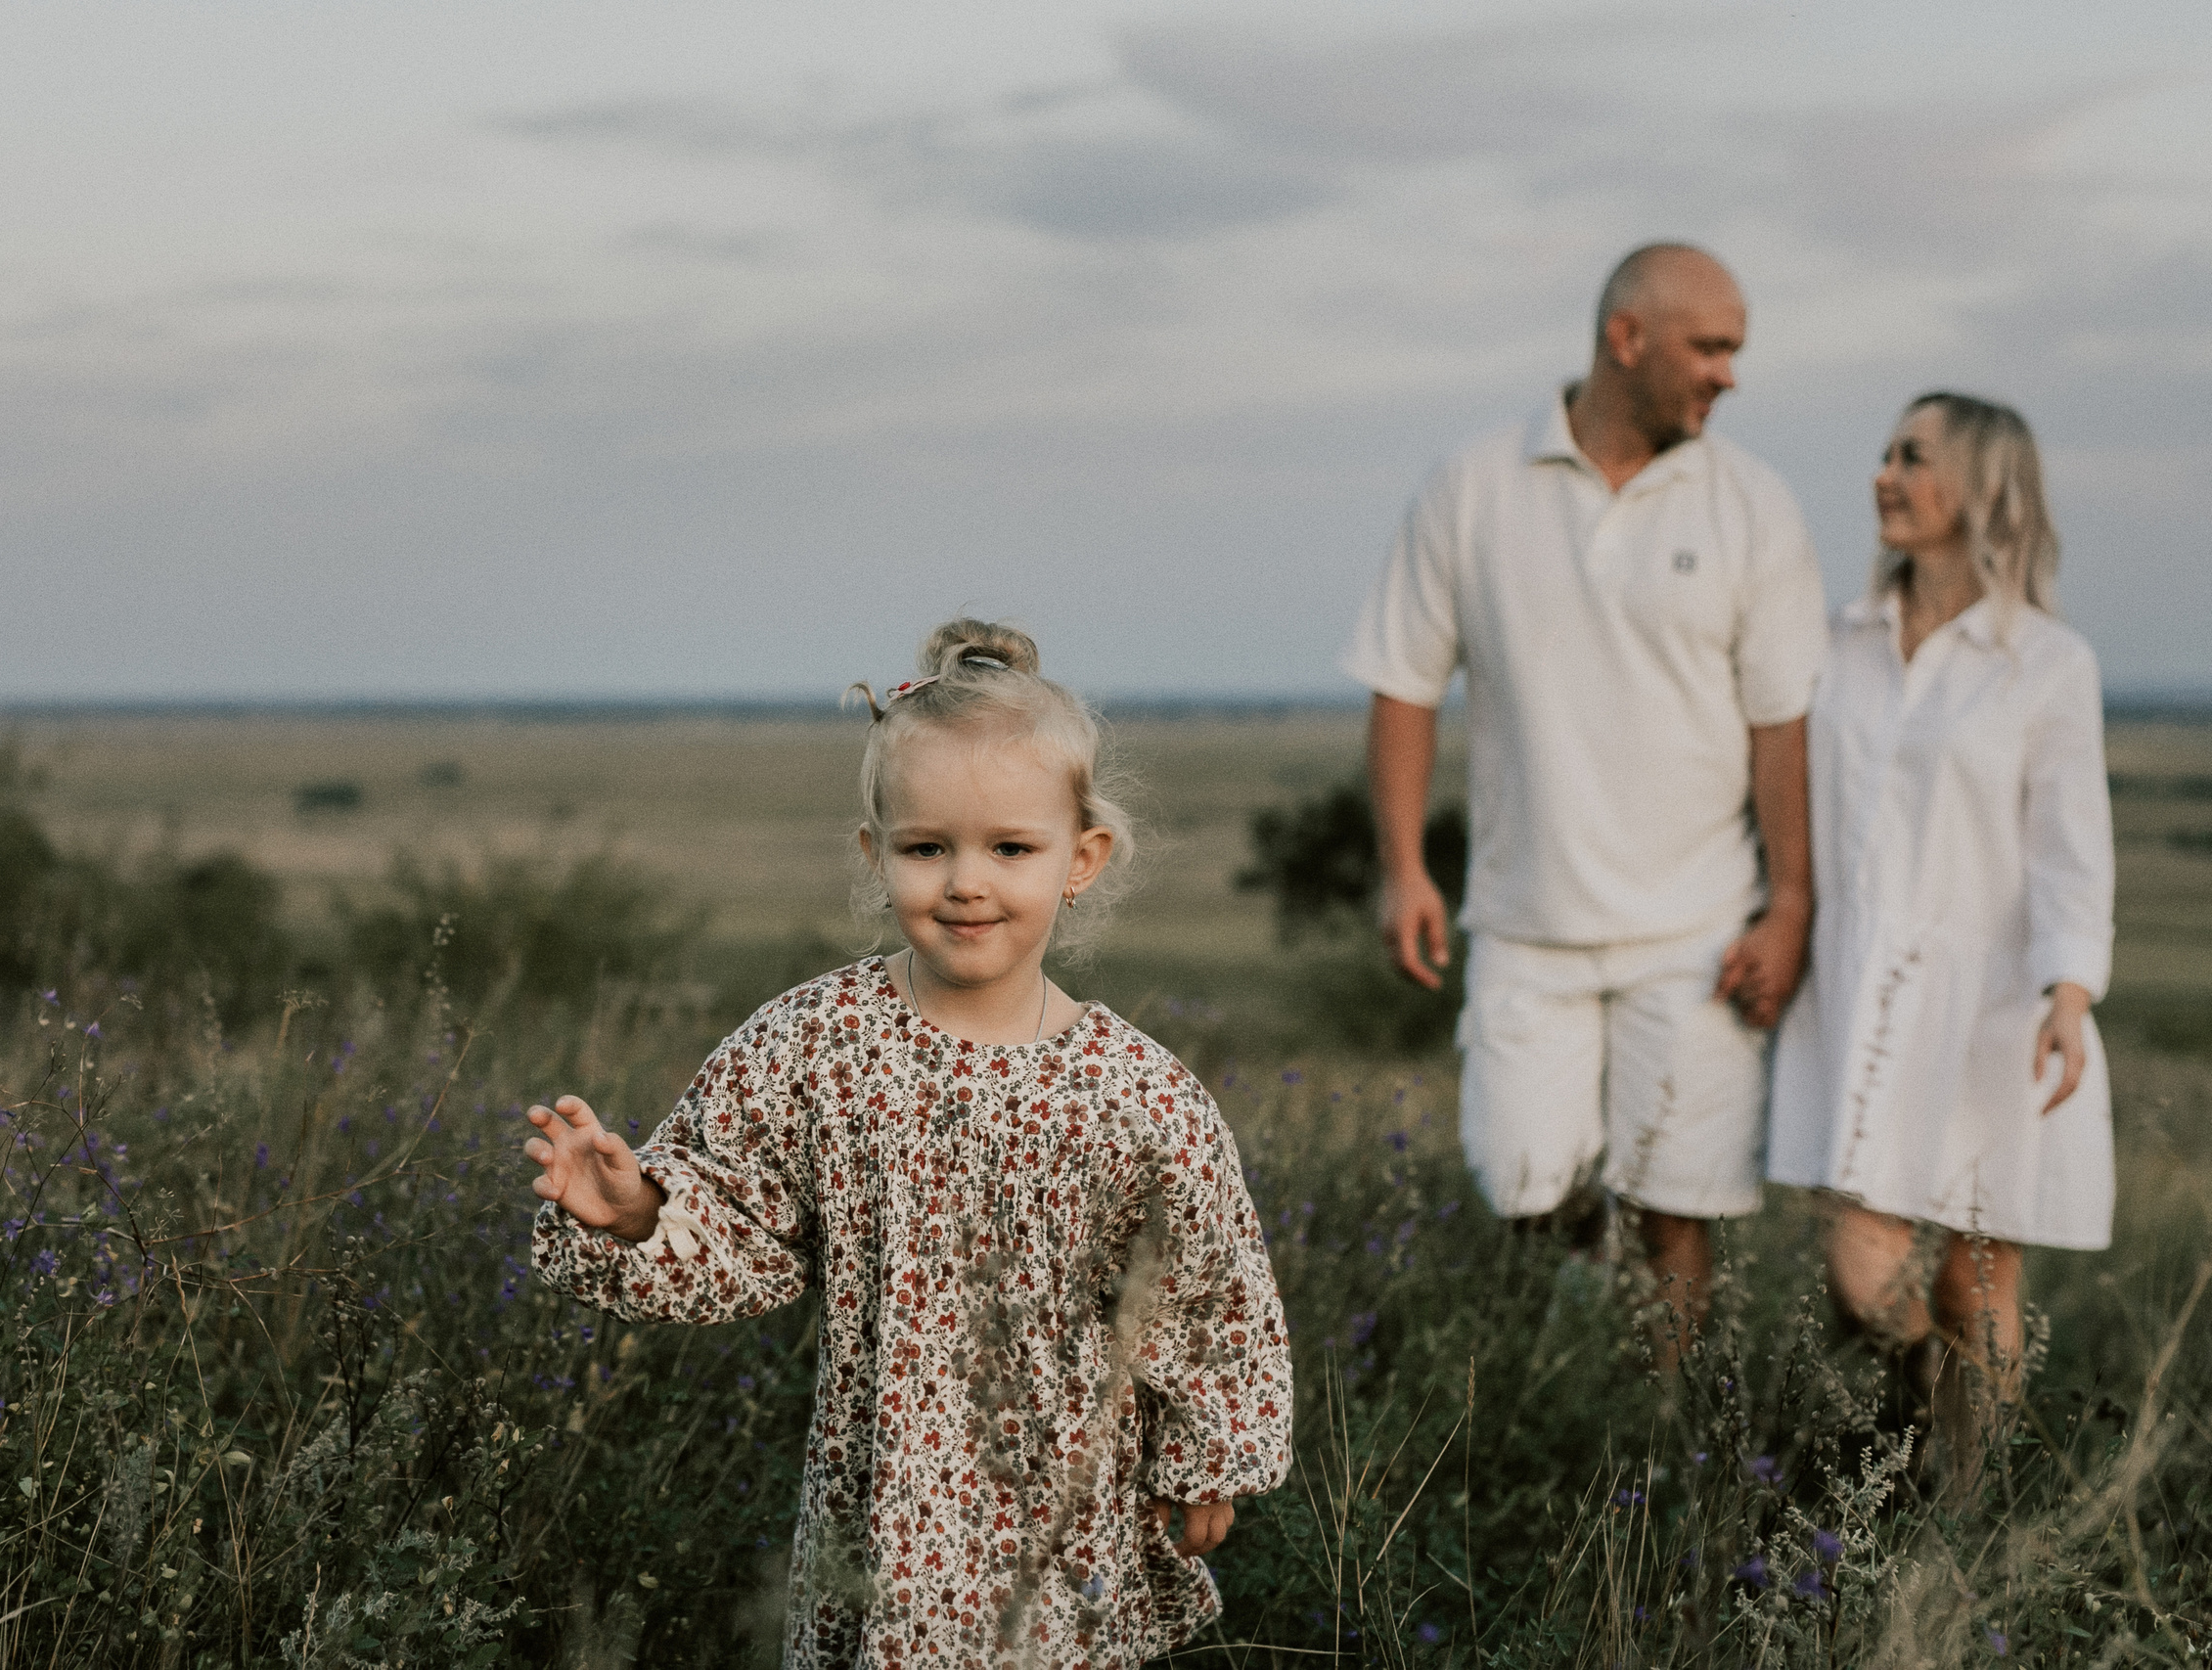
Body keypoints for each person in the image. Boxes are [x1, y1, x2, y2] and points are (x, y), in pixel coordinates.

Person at [523, 619, 1292, 1669]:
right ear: (875, 855)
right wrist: (638, 1212)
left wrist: (1207, 1455)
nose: (965, 882)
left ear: (1083, 858)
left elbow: (1204, 1288)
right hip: (879, 1500)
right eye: (928, 847)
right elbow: (739, 1225)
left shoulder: (1137, 1094)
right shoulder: (816, 1042)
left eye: (1010, 848)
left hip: (1062, 1511)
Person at [1344, 244, 1828, 1342]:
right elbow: (1403, 682)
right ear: (1626, 339)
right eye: (1710, 347)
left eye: (1735, 350)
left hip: (1699, 928)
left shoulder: (1753, 504)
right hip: (1526, 926)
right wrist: (1405, 867)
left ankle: (1656, 1474)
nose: (1728, 375)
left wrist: (1788, 905)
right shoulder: (1471, 484)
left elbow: (1780, 726)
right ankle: (1551, 1430)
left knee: (1675, 1216)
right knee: (1527, 1196)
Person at [1768, 393, 2112, 1491]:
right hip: (1858, 983)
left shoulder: (2046, 663)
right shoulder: (1836, 642)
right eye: (1881, 452)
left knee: (1977, 1273)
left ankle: (1963, 1505)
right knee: (1862, 1272)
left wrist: (2069, 987)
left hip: (1990, 999)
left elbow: (2069, 843)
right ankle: (1921, 1421)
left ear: (1977, 488)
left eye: (1910, 457)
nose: (1882, 473)